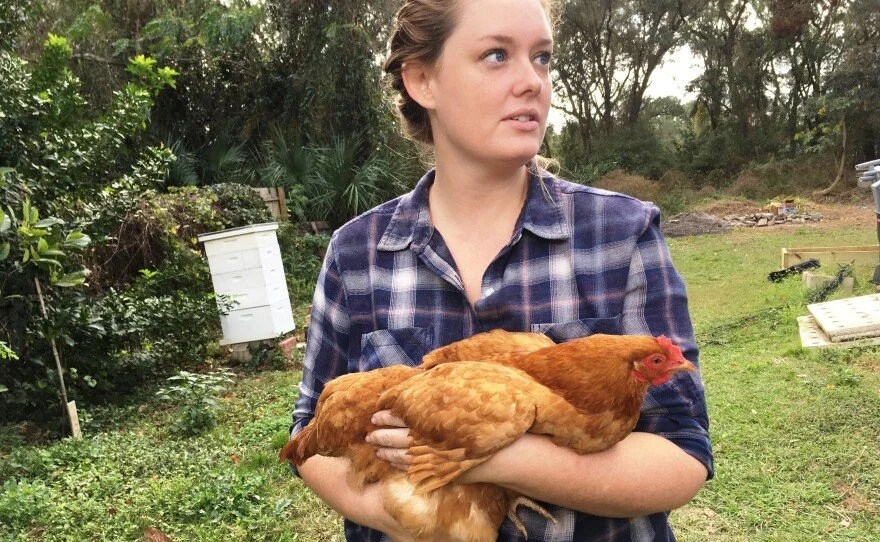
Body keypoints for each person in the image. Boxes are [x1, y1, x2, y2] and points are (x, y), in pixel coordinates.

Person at [289, 0, 713, 540]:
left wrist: (493, 454)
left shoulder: (618, 234)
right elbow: (308, 435)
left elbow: (682, 453)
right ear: (422, 81)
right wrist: (411, 519)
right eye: (496, 55)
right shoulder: (357, 253)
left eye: (542, 58)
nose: (532, 82)